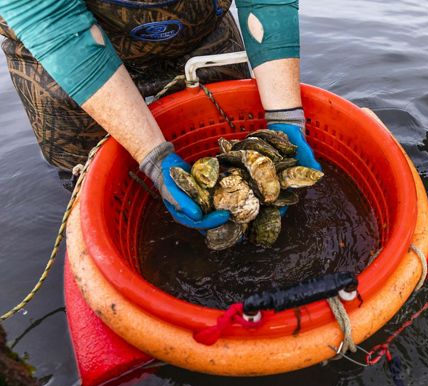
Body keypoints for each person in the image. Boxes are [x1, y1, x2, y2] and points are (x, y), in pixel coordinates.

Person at [0, 0, 320, 230]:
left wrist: (286, 117)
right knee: (95, 193)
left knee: (222, 140)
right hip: (60, 51)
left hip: (198, 31)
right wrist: (152, 156)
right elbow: (47, 15)